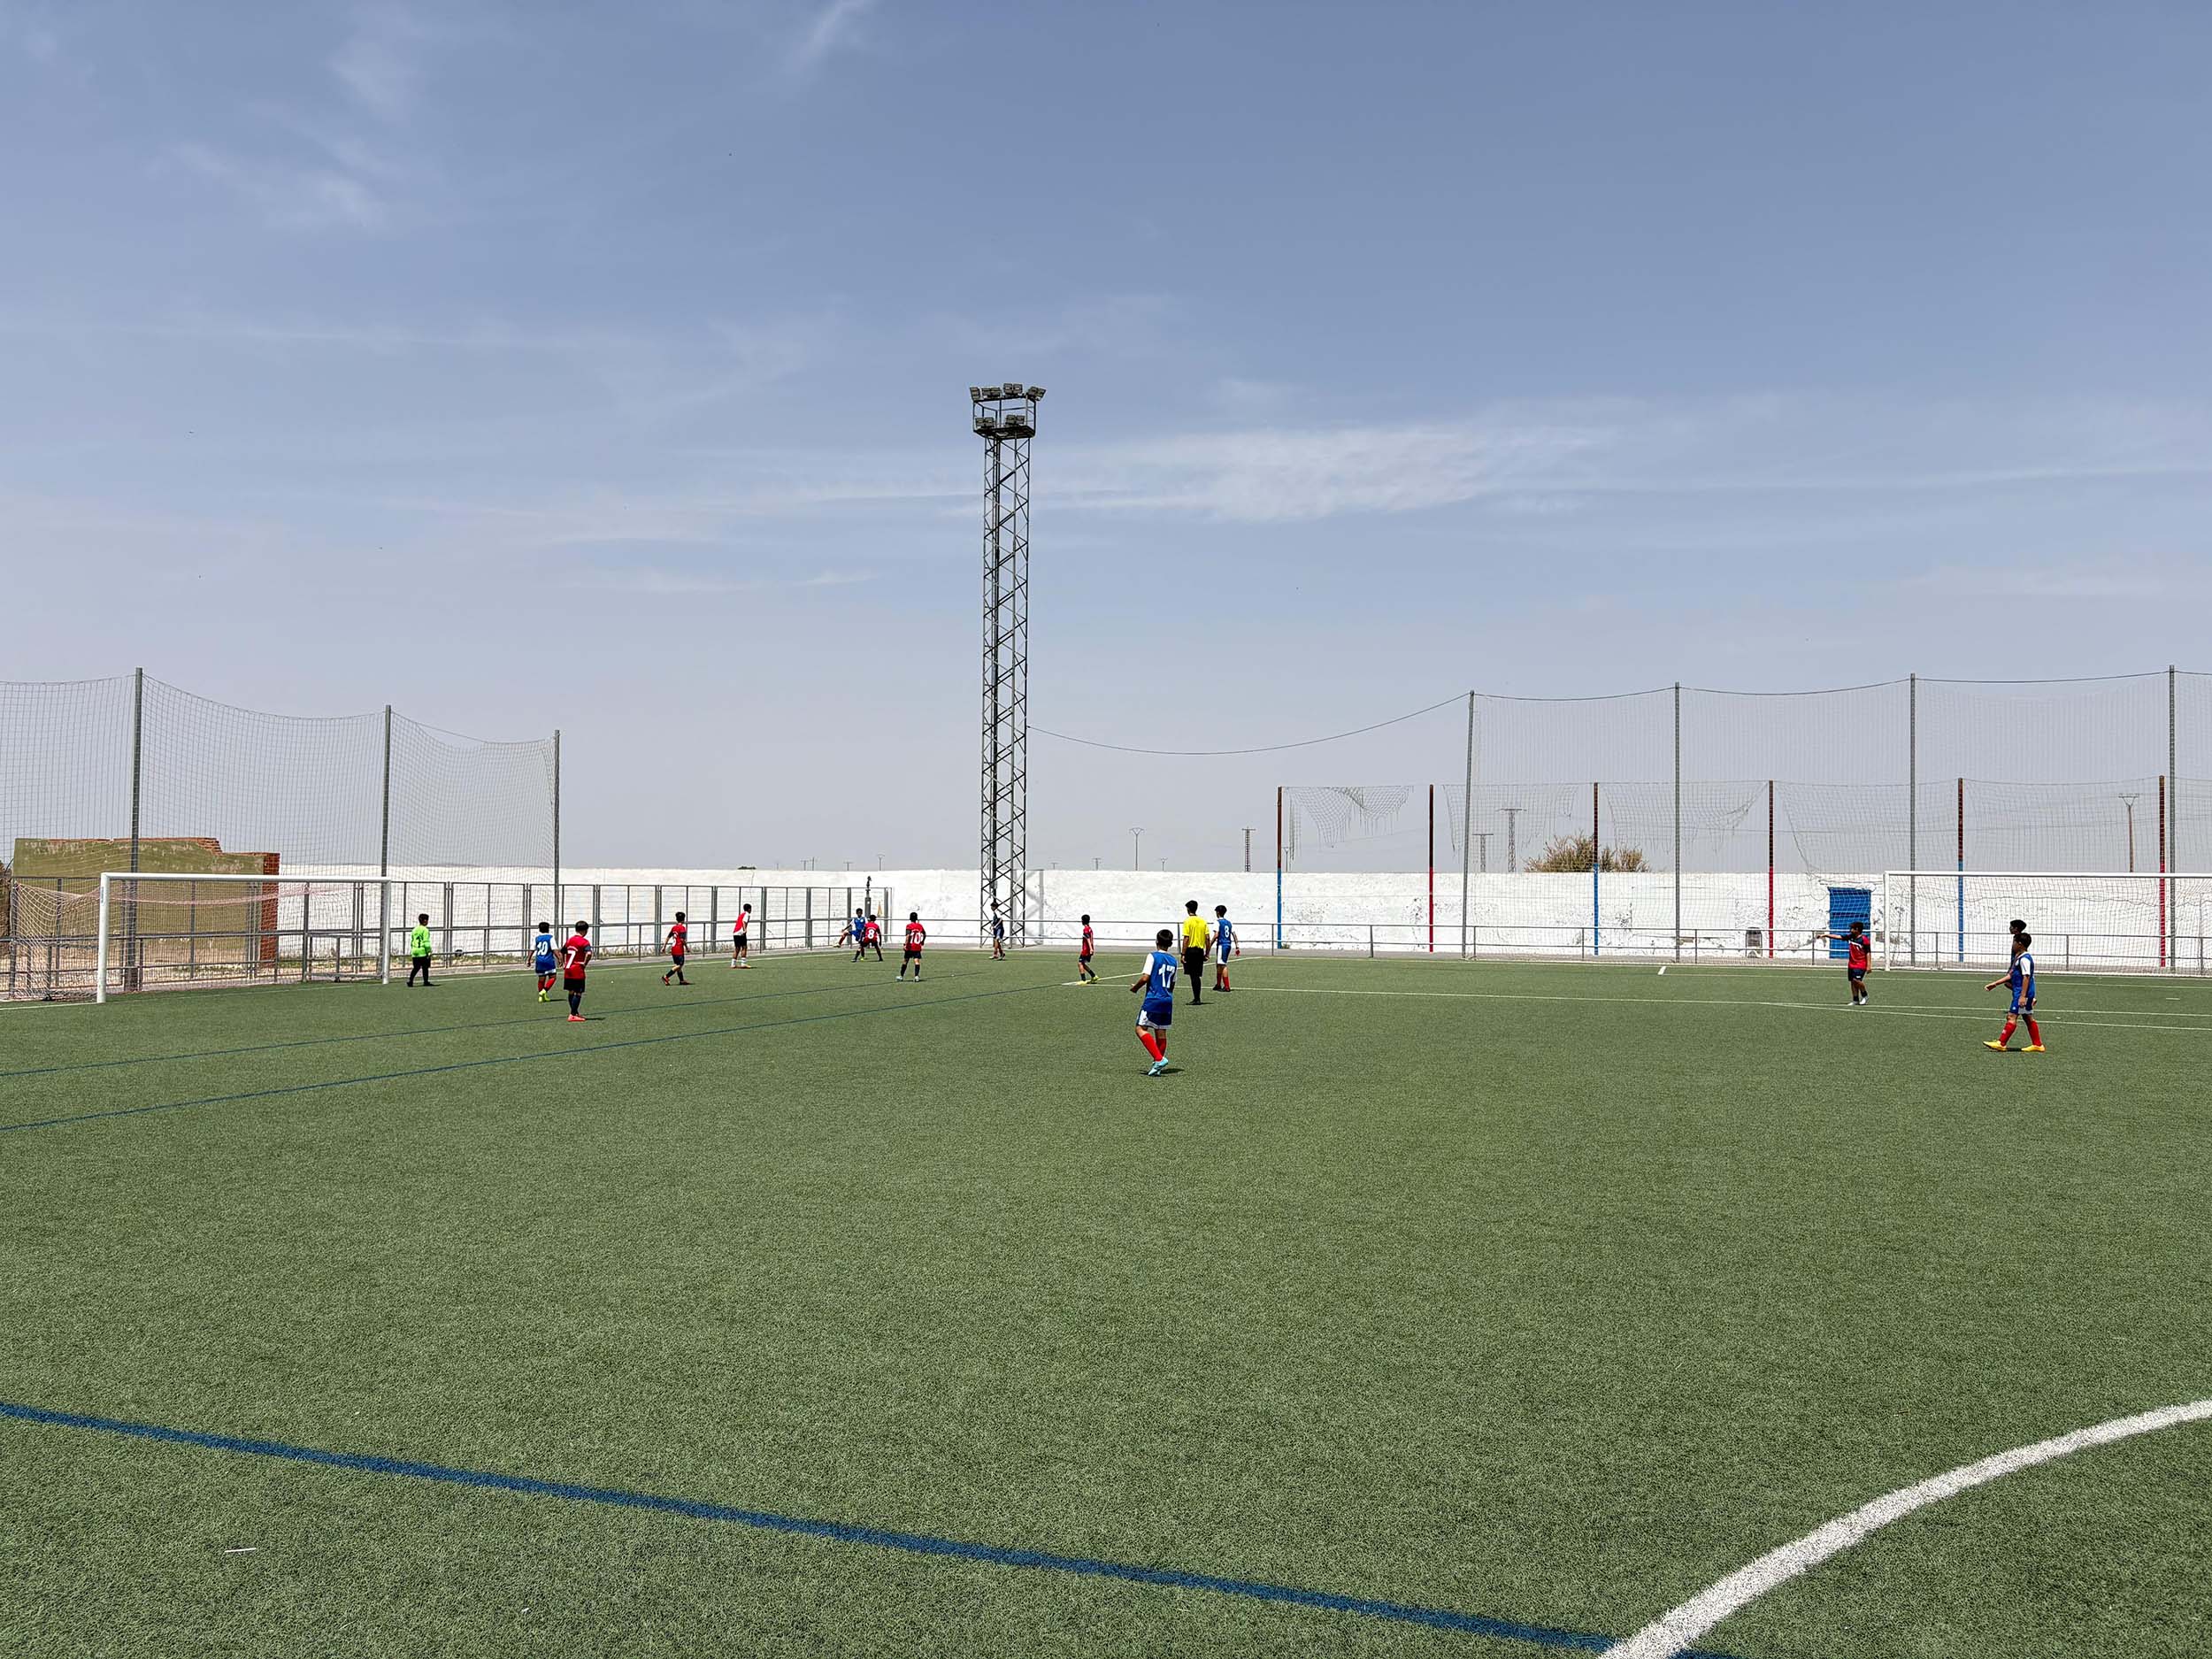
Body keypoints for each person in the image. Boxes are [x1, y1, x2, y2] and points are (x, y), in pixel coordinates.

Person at [1985, 931, 2044, 1052]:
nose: (2013, 945)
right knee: (2027, 1017)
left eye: (2014, 942)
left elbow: (2026, 977)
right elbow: (2011, 975)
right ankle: (2037, 1045)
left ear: (2020, 944)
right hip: (2023, 993)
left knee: (2011, 1016)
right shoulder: (2019, 958)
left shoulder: (2025, 959)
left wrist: (2022, 996)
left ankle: (2001, 1043)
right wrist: (1995, 984)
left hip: (2022, 993)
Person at [1131, 927, 1179, 1076]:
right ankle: (1157, 1067)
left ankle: (1158, 1059)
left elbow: (1145, 977)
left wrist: (1135, 988)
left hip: (1153, 998)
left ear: (1157, 941)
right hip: (1167, 999)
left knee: (1140, 1029)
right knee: (1161, 1032)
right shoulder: (1174, 961)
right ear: (1170, 944)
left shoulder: (1152, 956)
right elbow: (1172, 983)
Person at [560, 920, 593, 1022]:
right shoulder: (584, 942)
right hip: (577, 970)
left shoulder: (570, 940)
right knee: (578, 993)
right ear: (585, 930)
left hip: (568, 969)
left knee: (571, 992)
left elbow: (562, 951)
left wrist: (563, 963)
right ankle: (573, 1014)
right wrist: (585, 963)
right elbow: (589, 953)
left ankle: (575, 1012)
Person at [1179, 900, 1209, 1004]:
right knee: (1197, 975)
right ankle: (1197, 997)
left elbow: (1186, 938)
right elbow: (1207, 938)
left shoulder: (1187, 921)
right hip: (1200, 950)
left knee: (1193, 975)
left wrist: (1183, 954)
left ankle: (1196, 998)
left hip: (1190, 951)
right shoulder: (1203, 921)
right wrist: (1207, 953)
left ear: (1188, 909)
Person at [1839, 920, 1870, 1005]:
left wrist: (1869, 966)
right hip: (1851, 964)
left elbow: (1868, 953)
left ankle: (1865, 995)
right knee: (1853, 982)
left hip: (1861, 964)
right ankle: (1855, 1000)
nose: (1850, 930)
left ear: (1857, 929)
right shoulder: (1850, 937)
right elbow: (1838, 937)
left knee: (1856, 980)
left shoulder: (1864, 939)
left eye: (1852, 928)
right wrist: (1826, 935)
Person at [1210, 904, 1237, 993]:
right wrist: (1237, 945)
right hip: (1228, 944)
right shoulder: (1229, 923)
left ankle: (1227, 986)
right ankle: (1218, 984)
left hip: (1222, 945)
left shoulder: (1217, 922)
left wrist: (1210, 943)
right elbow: (1234, 934)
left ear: (1218, 912)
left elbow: (1216, 935)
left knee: (1223, 964)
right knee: (1219, 964)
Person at [531, 921, 557, 1002]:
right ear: (548, 929)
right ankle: (544, 991)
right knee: (553, 977)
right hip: (548, 960)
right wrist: (560, 959)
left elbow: (532, 949)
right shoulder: (550, 938)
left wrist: (528, 959)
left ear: (539, 929)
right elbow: (555, 950)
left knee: (541, 979)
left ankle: (541, 997)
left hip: (539, 961)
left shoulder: (537, 938)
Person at [662, 910, 689, 986]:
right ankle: (666, 976)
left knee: (678, 965)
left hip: (673, 948)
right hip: (679, 948)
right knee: (680, 965)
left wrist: (664, 946)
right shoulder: (682, 928)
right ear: (683, 919)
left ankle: (681, 980)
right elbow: (682, 940)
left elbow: (668, 937)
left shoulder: (674, 927)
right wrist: (687, 947)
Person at [407, 912, 434, 987]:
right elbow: (426, 942)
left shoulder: (414, 930)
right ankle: (426, 981)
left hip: (415, 951)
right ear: (425, 921)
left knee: (416, 967)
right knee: (425, 967)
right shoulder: (425, 930)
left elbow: (412, 941)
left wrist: (413, 949)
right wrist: (429, 951)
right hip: (422, 951)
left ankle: (410, 980)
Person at [898, 911, 926, 979]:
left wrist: (905, 944)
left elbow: (908, 936)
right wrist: (922, 941)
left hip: (910, 946)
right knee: (916, 961)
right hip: (917, 946)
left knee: (906, 961)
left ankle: (901, 976)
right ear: (916, 918)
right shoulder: (920, 926)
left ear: (910, 918)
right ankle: (916, 976)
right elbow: (925, 934)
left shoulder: (909, 926)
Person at [730, 902, 752, 968]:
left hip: (735, 932)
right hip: (741, 932)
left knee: (737, 948)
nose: (751, 910)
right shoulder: (747, 914)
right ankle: (743, 964)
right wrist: (745, 930)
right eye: (750, 909)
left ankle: (733, 964)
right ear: (749, 909)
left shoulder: (741, 914)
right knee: (744, 947)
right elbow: (744, 921)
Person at [1077, 914, 1097, 984]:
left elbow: (1088, 939)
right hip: (1088, 949)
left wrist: (1090, 948)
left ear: (1082, 921)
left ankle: (1083, 980)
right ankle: (1093, 976)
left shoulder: (1085, 929)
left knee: (1080, 963)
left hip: (1086, 950)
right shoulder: (1089, 928)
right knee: (1082, 963)